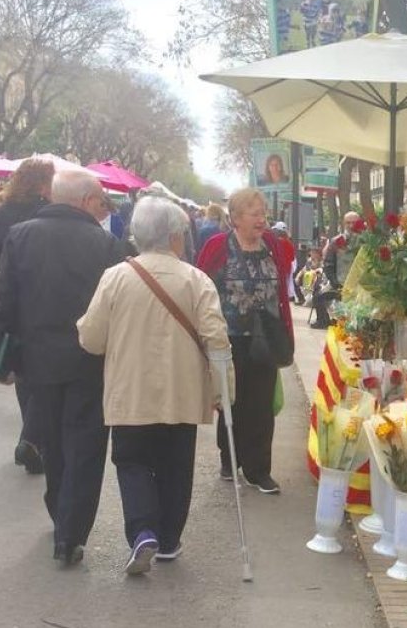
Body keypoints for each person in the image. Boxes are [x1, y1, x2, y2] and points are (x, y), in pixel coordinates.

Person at [0, 170, 129, 565]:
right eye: (99, 200)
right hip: (90, 361)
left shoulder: (21, 236)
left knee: (52, 443)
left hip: (37, 362)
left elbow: (3, 299)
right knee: (86, 445)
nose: (103, 207)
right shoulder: (107, 244)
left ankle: (60, 513)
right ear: (82, 201)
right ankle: (71, 531)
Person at [77, 197, 231, 573]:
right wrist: (225, 393)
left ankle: (143, 530)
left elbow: (90, 339)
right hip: (183, 393)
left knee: (131, 461)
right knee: (177, 464)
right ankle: (169, 539)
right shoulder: (197, 280)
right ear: (177, 236)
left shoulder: (115, 277)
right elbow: (217, 342)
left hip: (130, 393)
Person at [197, 188, 294, 495]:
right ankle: (230, 458)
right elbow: (200, 286)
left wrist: (286, 332)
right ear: (236, 218)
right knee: (231, 401)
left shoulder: (273, 246)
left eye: (263, 213)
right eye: (255, 214)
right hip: (228, 339)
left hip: (264, 336)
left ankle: (258, 470)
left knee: (262, 405)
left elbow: (281, 291)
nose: (262, 219)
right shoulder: (218, 246)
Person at [0, 157, 55, 474]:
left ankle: (31, 436)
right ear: (45, 184)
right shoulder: (47, 212)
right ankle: (32, 438)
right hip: (44, 298)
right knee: (45, 369)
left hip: (5, 299)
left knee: (21, 368)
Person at [315, 211, 361, 329]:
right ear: (344, 224)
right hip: (339, 283)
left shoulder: (366, 241)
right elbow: (328, 264)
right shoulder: (336, 241)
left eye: (354, 223)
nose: (351, 226)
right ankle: (324, 321)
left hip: (361, 287)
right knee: (318, 294)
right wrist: (335, 283)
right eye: (348, 223)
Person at [271, 221, 297, 303]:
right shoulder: (289, 243)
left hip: (276, 268)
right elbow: (292, 258)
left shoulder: (275, 243)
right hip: (287, 269)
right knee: (284, 288)